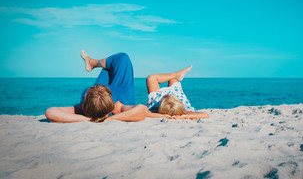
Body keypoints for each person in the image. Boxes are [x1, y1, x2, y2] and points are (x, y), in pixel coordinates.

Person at [45, 50, 208, 123]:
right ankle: (92, 62)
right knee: (122, 58)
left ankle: (92, 62)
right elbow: (141, 110)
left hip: (98, 97)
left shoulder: (83, 106)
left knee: (108, 68)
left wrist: (88, 118)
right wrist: (107, 119)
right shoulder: (117, 107)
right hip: (120, 91)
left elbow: (51, 112)